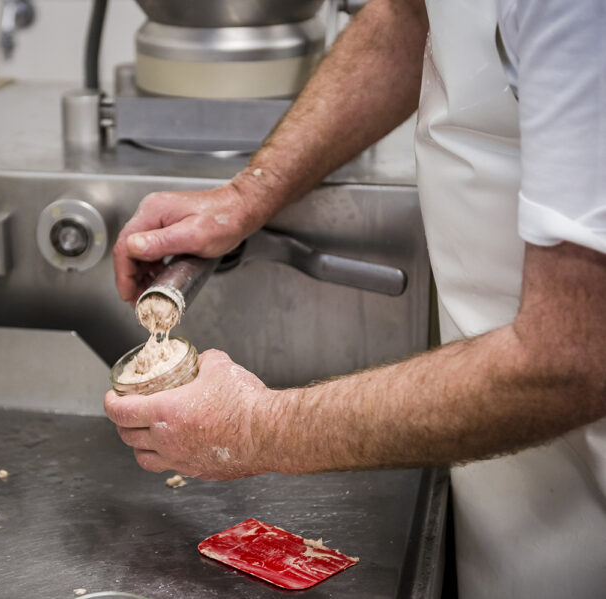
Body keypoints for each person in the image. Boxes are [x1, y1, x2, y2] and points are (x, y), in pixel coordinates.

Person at [103, 0, 606, 597]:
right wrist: (250, 191)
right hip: (499, 446)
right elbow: (407, 13)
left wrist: (255, 428)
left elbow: (569, 358)